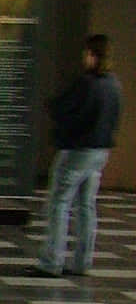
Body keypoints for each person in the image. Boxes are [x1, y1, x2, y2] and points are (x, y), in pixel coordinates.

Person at [39, 34, 121, 277]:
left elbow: (63, 109)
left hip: (78, 150)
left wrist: (55, 112)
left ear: (92, 55)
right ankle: (82, 261)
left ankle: (51, 262)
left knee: (59, 204)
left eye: (86, 53)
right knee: (86, 206)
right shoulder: (114, 83)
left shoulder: (86, 83)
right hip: (100, 151)